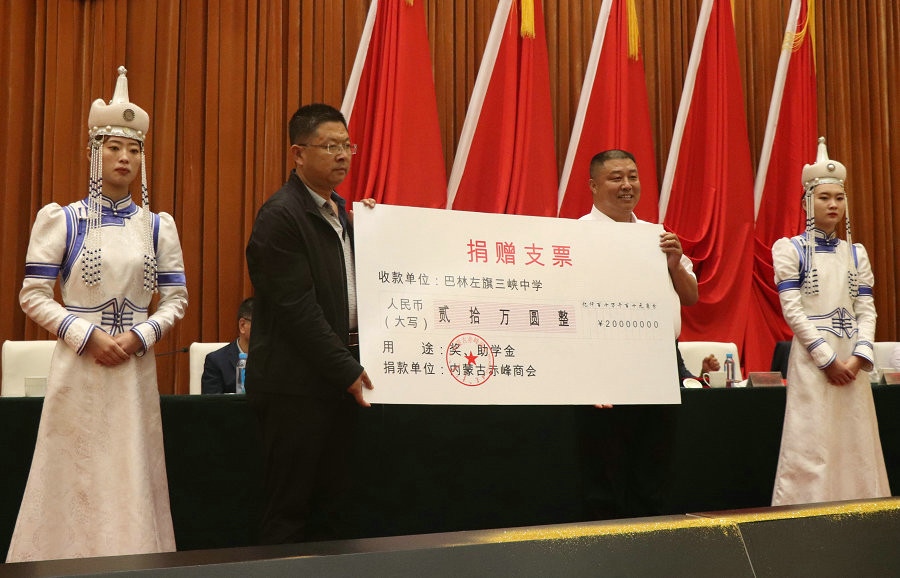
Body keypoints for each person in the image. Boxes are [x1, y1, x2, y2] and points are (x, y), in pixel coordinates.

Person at [6, 67, 188, 562]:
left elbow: (176, 299)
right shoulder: (63, 220)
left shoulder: (157, 226)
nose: (125, 157)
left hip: (133, 367)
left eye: (134, 150)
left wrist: (141, 335)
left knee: (130, 467)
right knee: (74, 468)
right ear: (94, 152)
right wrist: (84, 334)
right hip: (79, 366)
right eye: (113, 147)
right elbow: (33, 294)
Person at [245, 103, 374, 544]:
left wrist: (375, 227)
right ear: (298, 154)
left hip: (338, 379)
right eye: (330, 146)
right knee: (290, 511)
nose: (342, 155)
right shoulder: (280, 216)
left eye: (347, 146)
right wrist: (346, 370)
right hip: (295, 387)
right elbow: (297, 310)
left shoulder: (341, 213)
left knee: (334, 508)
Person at [576, 149, 698, 520]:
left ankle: (652, 541)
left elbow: (691, 297)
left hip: (658, 359)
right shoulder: (575, 236)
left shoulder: (657, 236)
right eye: (616, 177)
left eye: (633, 176)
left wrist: (675, 265)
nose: (627, 185)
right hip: (602, 359)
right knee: (605, 469)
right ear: (593, 185)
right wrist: (587, 377)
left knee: (655, 464)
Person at [771, 137, 889, 506]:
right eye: (824, 197)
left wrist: (858, 357)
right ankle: (806, 514)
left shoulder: (856, 253)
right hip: (814, 360)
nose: (833, 204)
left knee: (856, 439)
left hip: (851, 359)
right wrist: (827, 359)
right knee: (813, 439)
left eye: (839, 197)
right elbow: (793, 309)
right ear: (807, 202)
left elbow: (866, 309)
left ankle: (863, 511)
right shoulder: (789, 249)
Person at [201, 297, 254, 394]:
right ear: (242, 325)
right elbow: (211, 402)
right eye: (262, 324)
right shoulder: (216, 361)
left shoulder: (276, 359)